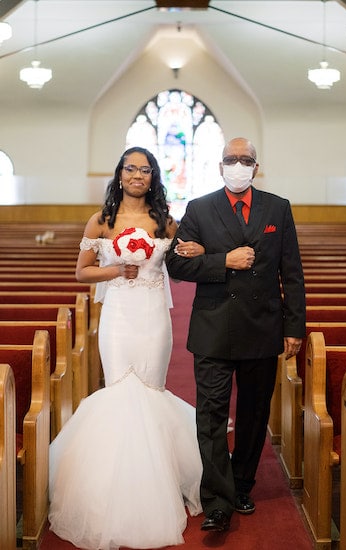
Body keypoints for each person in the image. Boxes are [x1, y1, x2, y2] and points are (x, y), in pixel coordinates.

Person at [48, 146, 204, 550]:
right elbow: (82, 271)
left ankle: (158, 483)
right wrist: (116, 269)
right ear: (119, 174)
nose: (138, 175)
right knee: (120, 389)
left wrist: (194, 250)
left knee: (150, 390)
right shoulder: (101, 221)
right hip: (118, 316)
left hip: (154, 317)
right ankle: (109, 489)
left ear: (153, 177)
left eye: (146, 169)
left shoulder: (165, 221)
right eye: (131, 168)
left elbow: (185, 260)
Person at [165, 137, 306, 533]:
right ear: (220, 165)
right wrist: (220, 261)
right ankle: (217, 499)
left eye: (246, 159)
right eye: (232, 159)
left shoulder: (278, 207)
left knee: (253, 414)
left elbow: (291, 272)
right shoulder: (200, 208)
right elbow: (176, 264)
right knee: (210, 415)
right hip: (213, 326)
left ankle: (242, 484)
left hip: (263, 326)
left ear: (256, 167)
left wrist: (294, 326)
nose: (238, 165)